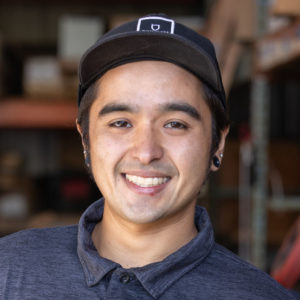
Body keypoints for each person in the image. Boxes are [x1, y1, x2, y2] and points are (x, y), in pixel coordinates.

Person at [0, 14, 295, 299]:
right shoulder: (8, 271)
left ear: (217, 143)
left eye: (175, 124)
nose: (145, 152)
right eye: (120, 123)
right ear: (85, 138)